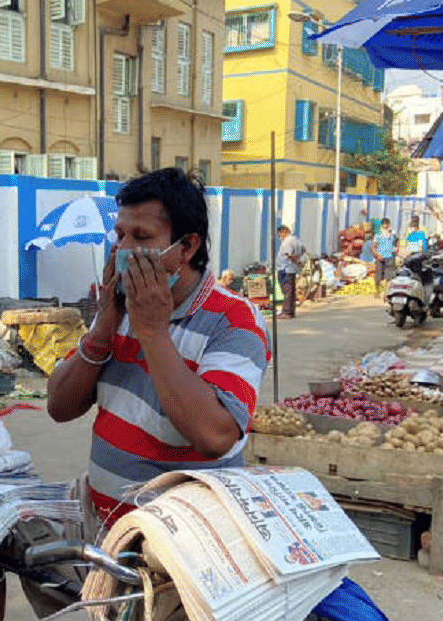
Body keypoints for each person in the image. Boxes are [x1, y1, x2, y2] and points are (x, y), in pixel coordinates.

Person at [47, 167, 270, 526]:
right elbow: (59, 406)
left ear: (186, 247)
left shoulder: (234, 321)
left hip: (180, 538)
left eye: (142, 236)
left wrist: (152, 332)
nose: (123, 248)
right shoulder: (119, 305)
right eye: (120, 234)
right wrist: (104, 326)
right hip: (105, 519)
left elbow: (215, 436)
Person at [275, 223, 304, 320]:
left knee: (287, 291)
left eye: (279, 234)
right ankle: (290, 311)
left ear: (284, 232)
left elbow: (289, 254)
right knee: (290, 291)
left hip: (285, 269)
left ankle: (287, 312)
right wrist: (298, 260)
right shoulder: (296, 240)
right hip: (291, 269)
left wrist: (296, 261)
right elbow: (303, 249)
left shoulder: (287, 241)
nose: (279, 237)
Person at [372, 217, 398, 293]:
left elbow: (397, 242)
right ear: (382, 225)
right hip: (380, 257)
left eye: (387, 224)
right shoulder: (378, 234)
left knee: (389, 276)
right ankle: (377, 290)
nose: (386, 226)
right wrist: (377, 254)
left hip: (390, 256)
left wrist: (396, 249)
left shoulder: (393, 233)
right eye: (384, 224)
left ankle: (386, 291)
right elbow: (373, 247)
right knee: (378, 275)